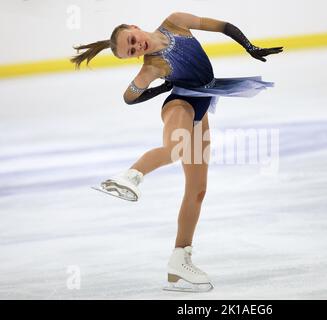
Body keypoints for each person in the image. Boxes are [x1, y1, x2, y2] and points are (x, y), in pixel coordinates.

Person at [70, 12, 283, 292]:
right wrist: (162, 89)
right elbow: (129, 96)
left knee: (198, 190)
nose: (136, 48)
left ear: (135, 27)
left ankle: (179, 262)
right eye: (131, 52)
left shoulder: (175, 22)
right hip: (179, 105)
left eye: (132, 41)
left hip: (201, 104)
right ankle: (130, 176)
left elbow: (223, 26)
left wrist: (249, 47)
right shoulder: (151, 67)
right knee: (174, 150)